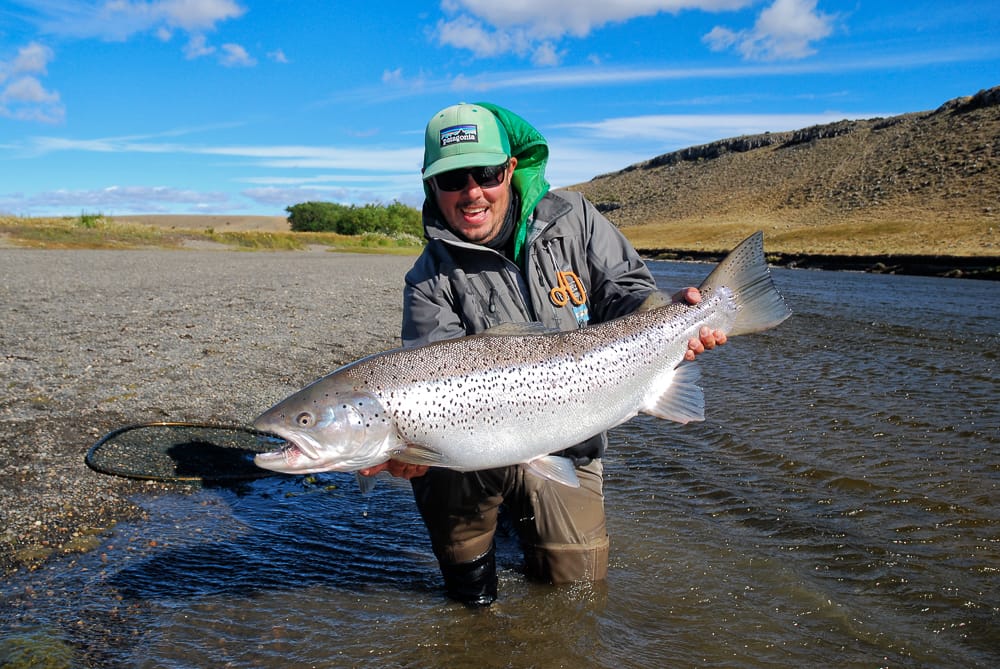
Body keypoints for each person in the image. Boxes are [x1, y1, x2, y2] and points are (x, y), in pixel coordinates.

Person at [360, 102, 725, 606]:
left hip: (570, 435)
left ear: (510, 169)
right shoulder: (427, 277)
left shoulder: (574, 218)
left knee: (576, 591)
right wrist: (403, 452)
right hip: (474, 452)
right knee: (436, 463)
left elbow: (627, 291)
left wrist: (675, 321)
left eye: (486, 173)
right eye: (452, 180)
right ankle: (472, 601)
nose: (472, 192)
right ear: (431, 187)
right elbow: (429, 368)